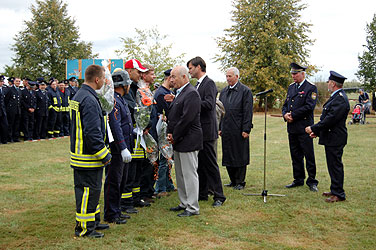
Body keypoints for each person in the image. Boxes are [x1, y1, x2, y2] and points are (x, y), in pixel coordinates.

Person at [69, 64, 112, 238]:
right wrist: (105, 155)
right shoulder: (89, 100)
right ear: (97, 79)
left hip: (81, 153)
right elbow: (93, 133)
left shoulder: (80, 95)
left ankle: (93, 221)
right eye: (103, 78)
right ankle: (85, 229)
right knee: (88, 191)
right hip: (87, 156)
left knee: (92, 191)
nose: (104, 81)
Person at [305, 71, 350, 203]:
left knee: (335, 165)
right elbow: (328, 118)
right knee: (332, 164)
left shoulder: (340, 99)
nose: (328, 84)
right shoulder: (336, 97)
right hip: (331, 136)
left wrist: (313, 128)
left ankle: (339, 193)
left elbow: (330, 119)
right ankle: (335, 189)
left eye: (329, 82)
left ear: (333, 83)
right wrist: (318, 133)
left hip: (336, 138)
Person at [187, 56, 226, 207]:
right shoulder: (197, 85)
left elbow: (209, 104)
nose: (189, 71)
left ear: (198, 67)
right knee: (201, 164)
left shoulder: (209, 83)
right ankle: (202, 193)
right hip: (199, 131)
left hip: (207, 131)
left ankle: (219, 196)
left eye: (190, 68)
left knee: (210, 164)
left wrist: (190, 103)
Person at [168, 65, 203, 217]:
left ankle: (192, 207)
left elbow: (186, 119)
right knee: (181, 175)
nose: (171, 80)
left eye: (174, 77)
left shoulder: (191, 93)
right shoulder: (180, 93)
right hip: (180, 140)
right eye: (170, 77)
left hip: (188, 140)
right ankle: (184, 202)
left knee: (189, 175)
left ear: (184, 77)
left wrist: (174, 135)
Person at [282, 63, 319, 192]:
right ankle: (298, 179)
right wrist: (285, 115)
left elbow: (309, 106)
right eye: (292, 73)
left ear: (303, 74)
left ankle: (312, 181)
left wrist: (293, 115)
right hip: (292, 127)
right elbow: (286, 104)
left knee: (309, 155)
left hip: (304, 127)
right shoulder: (291, 88)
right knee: (295, 155)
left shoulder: (311, 88)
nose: (293, 76)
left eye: (295, 73)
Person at [104, 69, 133, 224]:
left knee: (121, 180)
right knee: (114, 181)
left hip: (124, 147)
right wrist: (122, 147)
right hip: (117, 149)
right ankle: (111, 213)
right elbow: (116, 126)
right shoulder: (114, 101)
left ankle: (117, 209)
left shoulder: (120, 99)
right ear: (123, 85)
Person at [121, 59, 150, 214]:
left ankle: (136, 197)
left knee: (138, 166)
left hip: (138, 135)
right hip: (130, 135)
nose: (140, 75)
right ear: (129, 71)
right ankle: (126, 201)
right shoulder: (126, 90)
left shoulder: (135, 89)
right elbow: (132, 109)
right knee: (130, 170)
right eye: (138, 72)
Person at [219, 67, 253, 190]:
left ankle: (240, 181)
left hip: (239, 129)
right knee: (228, 154)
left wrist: (246, 129)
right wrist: (219, 127)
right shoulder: (223, 92)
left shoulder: (245, 91)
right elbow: (220, 111)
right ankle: (232, 180)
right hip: (226, 128)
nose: (228, 79)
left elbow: (248, 112)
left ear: (237, 77)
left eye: (230, 76)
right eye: (226, 76)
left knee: (239, 154)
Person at [153, 69, 175, 197]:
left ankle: (168, 184)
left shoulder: (168, 92)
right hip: (162, 130)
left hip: (166, 128)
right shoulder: (161, 94)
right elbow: (167, 112)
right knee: (163, 159)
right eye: (173, 77)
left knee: (168, 158)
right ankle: (160, 188)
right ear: (168, 78)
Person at [4, 77, 22, 142]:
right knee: (11, 124)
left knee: (17, 124)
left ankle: (16, 137)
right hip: (11, 110)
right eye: (17, 81)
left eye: (19, 81)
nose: (18, 83)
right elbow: (6, 100)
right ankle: (9, 137)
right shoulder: (10, 89)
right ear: (14, 82)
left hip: (18, 109)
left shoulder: (19, 90)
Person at [0, 75, 9, 144]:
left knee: (5, 125)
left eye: (2, 81)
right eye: (1, 81)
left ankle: (4, 139)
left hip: (3, 110)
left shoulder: (3, 89)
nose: (2, 83)